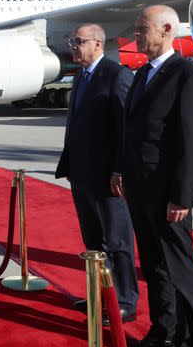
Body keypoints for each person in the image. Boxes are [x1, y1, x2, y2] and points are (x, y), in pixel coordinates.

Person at [112, 5, 193, 347]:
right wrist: (121, 169)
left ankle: (186, 339)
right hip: (140, 190)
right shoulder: (141, 74)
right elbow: (132, 131)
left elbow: (192, 140)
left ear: (167, 29)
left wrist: (181, 196)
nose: (135, 35)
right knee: (154, 266)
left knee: (178, 269)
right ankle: (162, 330)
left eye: (142, 29)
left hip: (169, 194)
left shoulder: (186, 74)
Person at [54, 23, 138, 325]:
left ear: (98, 44)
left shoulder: (117, 75)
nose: (72, 45)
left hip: (107, 178)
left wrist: (120, 169)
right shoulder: (82, 77)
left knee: (117, 241)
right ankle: (100, 295)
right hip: (81, 174)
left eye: (78, 41)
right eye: (71, 40)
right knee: (93, 241)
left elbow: (126, 129)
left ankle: (126, 300)